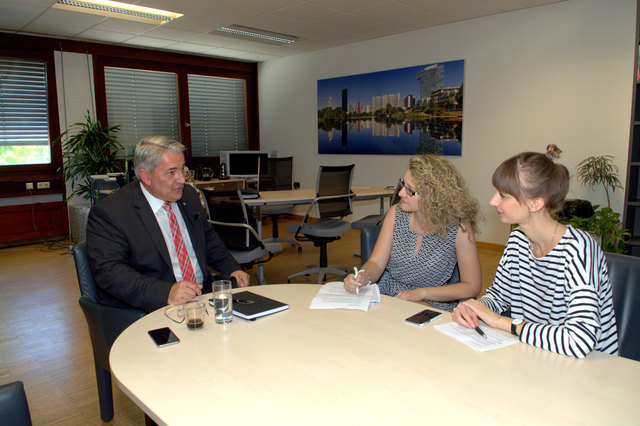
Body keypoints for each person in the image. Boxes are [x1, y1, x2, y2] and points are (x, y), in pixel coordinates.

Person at [452, 144, 619, 358]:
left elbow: (579, 340)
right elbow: (499, 296)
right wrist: (474, 307)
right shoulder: (518, 240)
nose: (493, 201)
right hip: (540, 355)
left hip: (592, 368)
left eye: (503, 195)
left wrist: (503, 322)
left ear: (535, 203)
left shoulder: (579, 249)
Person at [86, 135, 249, 312]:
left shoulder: (188, 196)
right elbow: (109, 272)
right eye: (171, 172)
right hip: (152, 308)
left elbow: (207, 238)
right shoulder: (112, 212)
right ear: (145, 176)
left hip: (202, 297)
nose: (182, 179)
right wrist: (166, 292)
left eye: (182, 169)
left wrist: (231, 268)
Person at [344, 155, 482, 311]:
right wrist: (363, 276)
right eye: (403, 184)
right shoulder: (396, 214)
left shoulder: (459, 228)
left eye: (410, 191)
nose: (401, 193)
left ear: (434, 197)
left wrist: (421, 293)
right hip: (389, 294)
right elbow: (376, 263)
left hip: (431, 301)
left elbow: (472, 286)